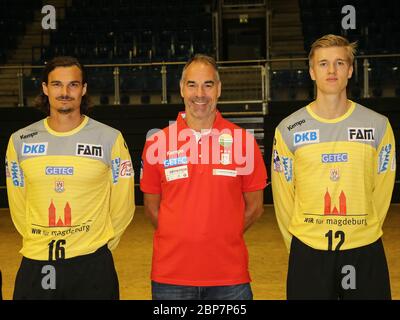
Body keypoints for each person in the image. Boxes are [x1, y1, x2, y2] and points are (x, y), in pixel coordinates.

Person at [271, 34, 396, 300]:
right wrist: (297, 243)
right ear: (312, 71)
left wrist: (363, 228)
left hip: (364, 250)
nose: (331, 70)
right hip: (308, 250)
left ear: (350, 70)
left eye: (339, 63)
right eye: (323, 63)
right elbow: (282, 197)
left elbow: (383, 189)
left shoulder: (378, 125)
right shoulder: (289, 129)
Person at [5, 56, 135, 299]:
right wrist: (40, 239)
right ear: (45, 88)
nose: (65, 92)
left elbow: (123, 204)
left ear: (83, 89)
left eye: (73, 85)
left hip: (92, 265)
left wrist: (98, 245)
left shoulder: (110, 139)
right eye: (56, 84)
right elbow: (18, 204)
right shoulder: (20, 141)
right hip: (36, 261)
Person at [140, 54, 267, 300]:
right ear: (181, 89)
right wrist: (184, 236)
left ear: (218, 89)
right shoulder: (158, 142)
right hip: (171, 278)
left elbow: (255, 207)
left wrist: (220, 236)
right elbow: (152, 208)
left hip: (230, 278)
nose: (200, 93)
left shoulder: (243, 141)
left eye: (208, 84)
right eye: (192, 84)